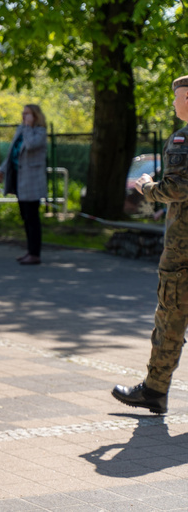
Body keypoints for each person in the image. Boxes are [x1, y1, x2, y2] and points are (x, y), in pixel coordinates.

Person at [112, 74, 188, 415]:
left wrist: (147, 187)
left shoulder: (183, 139)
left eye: (176, 98)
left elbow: (177, 188)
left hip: (183, 249)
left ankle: (155, 390)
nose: (173, 104)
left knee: (171, 316)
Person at [0, 104, 48, 265]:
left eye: (28, 114)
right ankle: (29, 251)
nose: (24, 116)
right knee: (25, 217)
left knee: (32, 217)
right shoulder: (21, 130)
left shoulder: (40, 132)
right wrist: (2, 170)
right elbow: (12, 152)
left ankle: (35, 253)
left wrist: (28, 128)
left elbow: (31, 145)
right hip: (19, 179)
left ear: (36, 116)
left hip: (32, 180)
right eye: (23, 113)